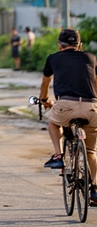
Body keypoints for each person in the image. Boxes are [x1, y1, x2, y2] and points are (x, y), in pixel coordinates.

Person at [39, 29, 97, 205]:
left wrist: (44, 100)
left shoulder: (53, 58)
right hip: (90, 107)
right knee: (91, 151)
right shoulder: (91, 58)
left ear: (59, 45)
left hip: (65, 106)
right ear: (79, 46)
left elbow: (45, 82)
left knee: (53, 123)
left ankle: (58, 155)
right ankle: (94, 189)